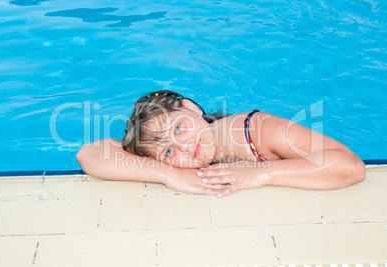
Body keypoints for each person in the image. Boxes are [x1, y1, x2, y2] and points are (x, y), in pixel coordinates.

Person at [76, 90, 365, 197]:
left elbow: (350, 166)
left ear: (192, 108)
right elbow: (88, 154)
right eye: (167, 151)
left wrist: (261, 173)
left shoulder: (259, 132)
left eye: (180, 127)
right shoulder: (173, 164)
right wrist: (168, 174)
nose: (184, 147)